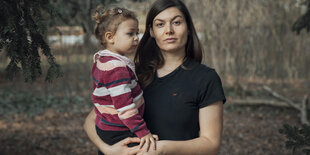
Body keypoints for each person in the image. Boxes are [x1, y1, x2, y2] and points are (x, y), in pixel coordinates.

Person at [84, 0, 226, 154]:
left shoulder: (205, 79)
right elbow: (92, 120)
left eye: (177, 22)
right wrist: (108, 150)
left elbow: (211, 145)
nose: (169, 30)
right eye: (160, 24)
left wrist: (161, 149)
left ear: (188, 28)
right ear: (151, 31)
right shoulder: (131, 72)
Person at [89, 6, 157, 155]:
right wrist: (143, 132)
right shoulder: (116, 69)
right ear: (110, 37)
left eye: (136, 33)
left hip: (107, 124)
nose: (136, 38)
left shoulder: (103, 58)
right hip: (120, 129)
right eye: (130, 34)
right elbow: (125, 107)